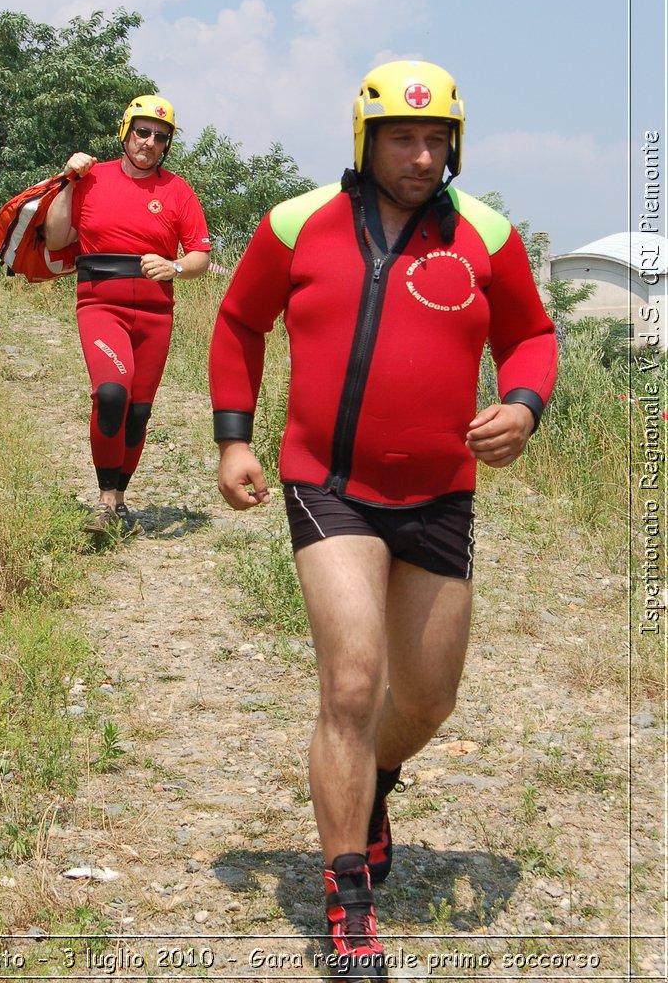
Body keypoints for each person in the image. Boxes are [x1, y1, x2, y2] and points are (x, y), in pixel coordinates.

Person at [208, 61, 557, 978]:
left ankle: (375, 787)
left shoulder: (485, 233)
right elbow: (241, 323)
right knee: (354, 683)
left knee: (429, 697)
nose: (422, 153)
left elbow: (533, 334)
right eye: (404, 138)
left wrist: (523, 404)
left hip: (443, 494)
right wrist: (233, 440)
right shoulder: (297, 223)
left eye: (437, 137)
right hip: (329, 484)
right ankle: (348, 898)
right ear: (366, 140)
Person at [45, 95, 211, 533]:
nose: (150, 142)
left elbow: (200, 256)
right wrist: (66, 180)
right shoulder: (90, 179)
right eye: (142, 131)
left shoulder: (178, 191)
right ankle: (102, 502)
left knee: (138, 411)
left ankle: (119, 502)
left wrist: (174, 266)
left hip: (156, 314)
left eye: (161, 137)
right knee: (112, 394)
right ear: (125, 131)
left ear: (167, 145)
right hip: (100, 305)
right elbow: (57, 235)